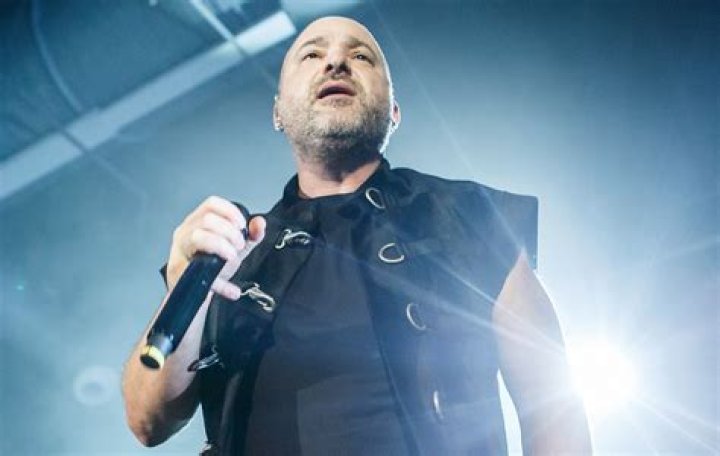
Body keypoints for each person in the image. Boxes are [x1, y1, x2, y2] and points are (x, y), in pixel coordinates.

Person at [122, 16, 592, 455]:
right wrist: (185, 280)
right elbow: (148, 421)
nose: (335, 62)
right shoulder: (233, 249)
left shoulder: (468, 215)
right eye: (311, 54)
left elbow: (552, 407)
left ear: (394, 111)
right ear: (278, 112)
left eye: (361, 56)